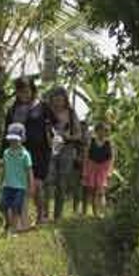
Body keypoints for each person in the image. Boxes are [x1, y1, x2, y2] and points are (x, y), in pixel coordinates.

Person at [4, 77, 50, 227]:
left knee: (37, 185)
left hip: (40, 152)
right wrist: (2, 154)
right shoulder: (12, 109)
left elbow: (55, 125)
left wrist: (57, 140)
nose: (23, 94)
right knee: (19, 187)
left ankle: (40, 215)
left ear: (32, 90)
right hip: (18, 152)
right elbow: (7, 131)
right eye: (20, 91)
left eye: (26, 90)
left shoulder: (42, 106)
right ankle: (21, 220)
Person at [45, 87, 84, 221]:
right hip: (50, 149)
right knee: (47, 181)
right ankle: (44, 214)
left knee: (61, 183)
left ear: (65, 100)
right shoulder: (47, 113)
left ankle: (58, 215)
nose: (57, 101)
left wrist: (68, 136)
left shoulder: (71, 114)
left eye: (60, 99)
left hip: (67, 150)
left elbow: (79, 135)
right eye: (55, 98)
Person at [0, 123, 32, 237]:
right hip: (7, 185)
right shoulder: (6, 153)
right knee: (3, 206)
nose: (13, 142)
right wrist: (1, 182)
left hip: (20, 187)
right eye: (11, 140)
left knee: (15, 208)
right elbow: (4, 168)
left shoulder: (25, 155)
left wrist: (30, 187)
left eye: (16, 140)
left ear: (22, 139)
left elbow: (29, 172)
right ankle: (7, 224)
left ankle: (14, 229)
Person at [82, 121, 115, 216]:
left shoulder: (109, 143)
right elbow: (86, 156)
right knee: (92, 191)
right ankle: (95, 212)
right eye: (100, 130)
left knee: (100, 190)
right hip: (92, 167)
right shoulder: (91, 141)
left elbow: (112, 158)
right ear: (96, 131)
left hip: (103, 168)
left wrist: (110, 171)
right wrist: (85, 171)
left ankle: (101, 211)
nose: (102, 133)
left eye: (104, 131)